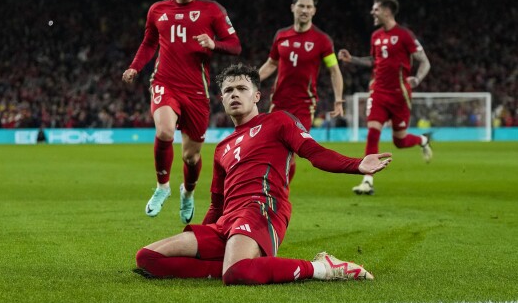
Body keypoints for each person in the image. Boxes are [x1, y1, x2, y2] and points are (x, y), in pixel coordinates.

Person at [134, 63, 392, 285]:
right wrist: (202, 234)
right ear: (222, 100)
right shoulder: (222, 147)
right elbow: (217, 204)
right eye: (228, 91)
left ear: (257, 95)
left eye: (242, 89)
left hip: (262, 209)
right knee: (148, 258)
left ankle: (323, 267)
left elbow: (314, 153)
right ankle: (235, 264)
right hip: (226, 222)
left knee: (237, 275)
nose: (235, 94)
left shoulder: (278, 121)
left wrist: (357, 164)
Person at [122, 0, 241, 223]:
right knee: (164, 131)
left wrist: (214, 45)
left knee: (191, 157)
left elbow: (235, 45)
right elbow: (149, 43)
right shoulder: (157, 10)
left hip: (196, 91)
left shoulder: (213, 10)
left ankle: (187, 192)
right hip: (164, 82)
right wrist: (135, 67)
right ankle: (162, 187)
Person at [338, 0, 432, 196]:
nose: (372, 12)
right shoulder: (376, 36)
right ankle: (367, 181)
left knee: (400, 141)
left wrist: (417, 79)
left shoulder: (405, 35)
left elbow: (424, 61)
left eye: (376, 9)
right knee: (373, 133)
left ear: (387, 11)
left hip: (400, 96)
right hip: (379, 92)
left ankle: (422, 140)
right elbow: (374, 61)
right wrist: (352, 59)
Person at [258, 0, 345, 180]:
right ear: (293, 8)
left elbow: (334, 70)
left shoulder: (322, 40)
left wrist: (339, 100)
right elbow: (272, 63)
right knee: (273, 150)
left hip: (304, 105)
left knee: (290, 151)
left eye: (308, 7)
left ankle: (280, 193)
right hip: (278, 102)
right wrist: (252, 80)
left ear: (314, 11)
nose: (304, 10)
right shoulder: (281, 35)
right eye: (301, 6)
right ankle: (273, 189)